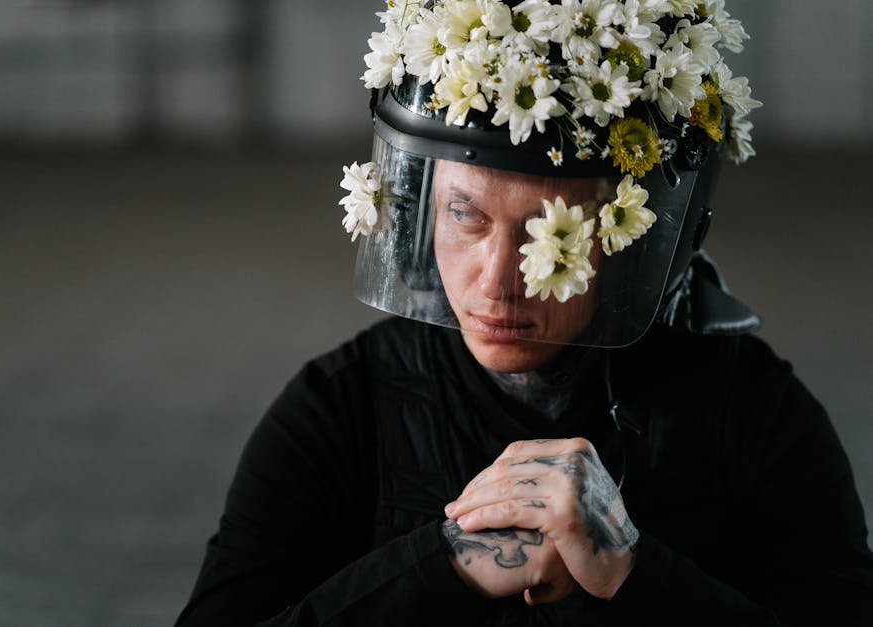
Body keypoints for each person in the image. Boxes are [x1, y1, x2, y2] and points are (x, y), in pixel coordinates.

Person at [176, 1, 873, 624]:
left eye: (553, 230)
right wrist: (447, 561)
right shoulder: (340, 411)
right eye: (465, 214)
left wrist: (636, 574)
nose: (499, 281)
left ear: (637, 235)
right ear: (420, 206)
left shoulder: (752, 414)